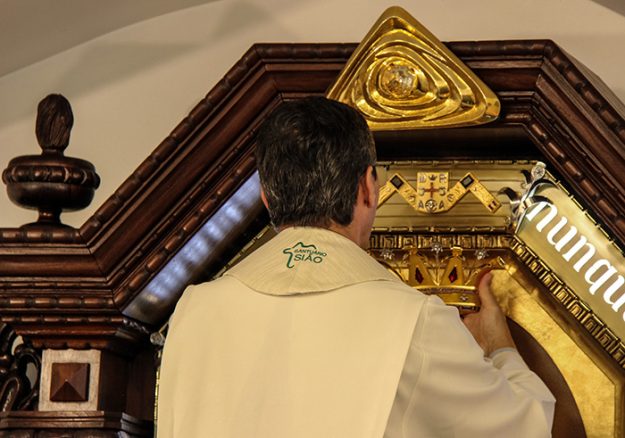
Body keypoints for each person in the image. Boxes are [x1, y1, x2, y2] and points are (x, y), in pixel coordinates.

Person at [157, 96, 555, 437]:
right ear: (368, 187)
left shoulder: (194, 312)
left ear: (266, 196)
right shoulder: (413, 320)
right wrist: (500, 348)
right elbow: (525, 429)